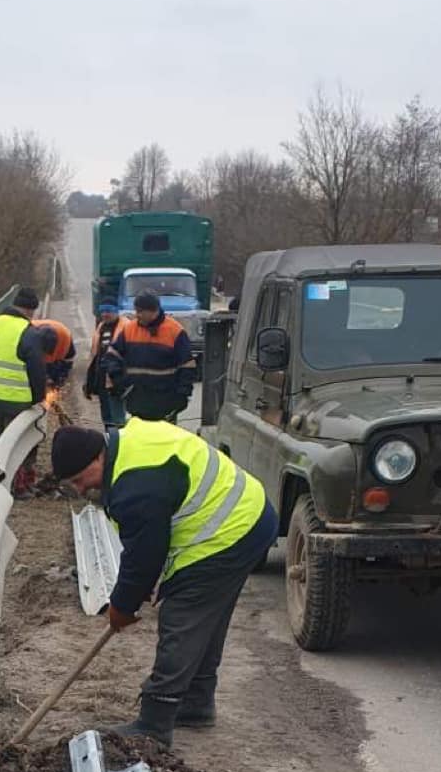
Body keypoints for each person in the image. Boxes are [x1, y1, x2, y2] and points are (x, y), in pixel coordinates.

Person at [50, 419, 276, 746]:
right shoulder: (127, 446)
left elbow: (144, 558)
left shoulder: (135, 486)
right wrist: (130, 598)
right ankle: (196, 704)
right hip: (248, 516)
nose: (81, 490)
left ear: (98, 457)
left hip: (229, 531)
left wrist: (121, 607)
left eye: (79, 479)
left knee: (182, 618)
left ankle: (154, 724)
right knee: (206, 617)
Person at [0, 287, 50, 495]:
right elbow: (37, 370)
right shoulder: (28, 332)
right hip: (16, 401)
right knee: (19, 445)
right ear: (30, 310)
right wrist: (39, 400)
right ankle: (18, 487)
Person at [105, 292, 196, 422]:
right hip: (136, 399)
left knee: (165, 441)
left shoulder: (175, 331)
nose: (137, 315)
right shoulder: (130, 329)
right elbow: (112, 356)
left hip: (166, 400)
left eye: (140, 311)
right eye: (136, 310)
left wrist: (183, 393)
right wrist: (118, 379)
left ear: (154, 311)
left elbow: (187, 366)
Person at [84, 299, 127, 429]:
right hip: (102, 379)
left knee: (118, 418)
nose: (105, 314)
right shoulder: (101, 327)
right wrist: (90, 382)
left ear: (116, 311)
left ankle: (120, 444)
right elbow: (95, 356)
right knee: (107, 417)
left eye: (108, 311)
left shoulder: (126, 327)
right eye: (102, 311)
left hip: (117, 380)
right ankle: (110, 443)